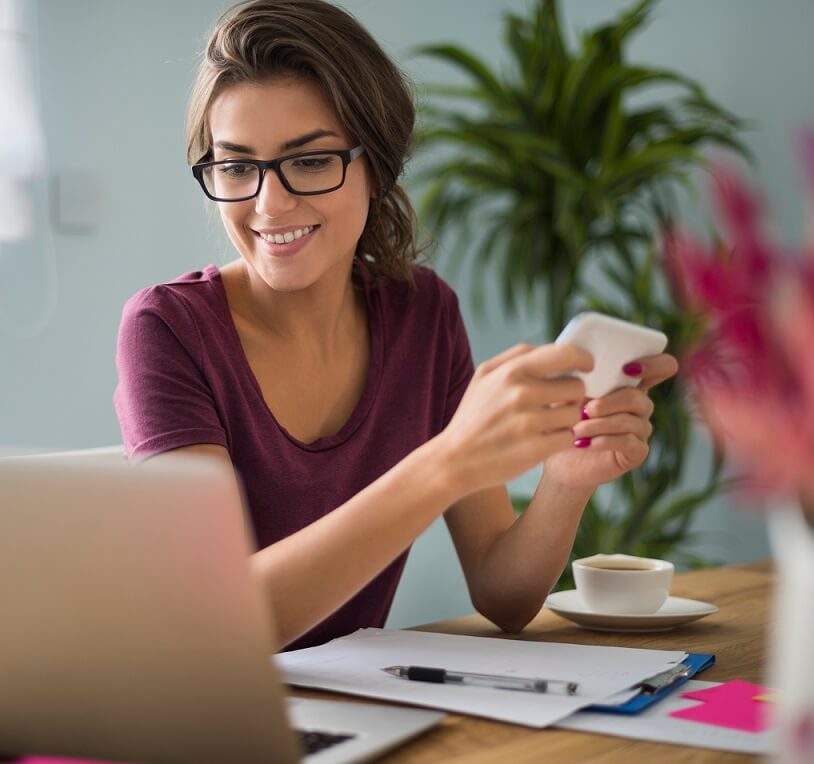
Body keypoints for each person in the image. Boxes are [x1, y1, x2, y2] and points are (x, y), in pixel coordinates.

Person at [113, 0, 677, 651]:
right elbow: (219, 623)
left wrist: (567, 480)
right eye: (237, 166)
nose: (269, 204)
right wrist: (447, 463)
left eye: (311, 160)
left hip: (352, 718)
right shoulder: (168, 329)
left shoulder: (423, 315)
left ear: (376, 165)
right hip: (208, 716)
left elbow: (505, 595)